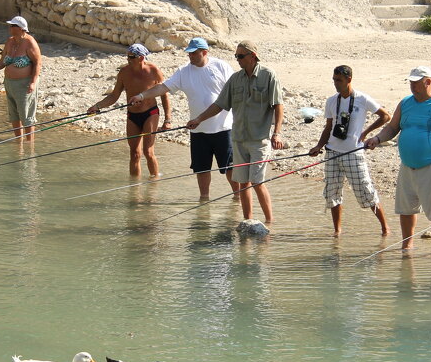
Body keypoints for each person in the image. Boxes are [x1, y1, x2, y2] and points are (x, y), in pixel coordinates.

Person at [365, 66, 431, 255]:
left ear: (428, 82)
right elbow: (393, 128)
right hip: (407, 166)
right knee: (406, 209)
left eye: (416, 83)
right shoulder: (406, 103)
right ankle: (407, 245)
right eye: (411, 83)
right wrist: (377, 139)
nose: (413, 87)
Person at [186, 41, 284, 224]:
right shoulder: (235, 79)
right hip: (238, 140)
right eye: (236, 56)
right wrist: (198, 119)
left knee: (257, 182)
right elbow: (219, 105)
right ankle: (248, 221)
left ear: (253, 56)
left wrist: (277, 133)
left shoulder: (268, 76)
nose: (237, 60)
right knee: (243, 184)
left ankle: (269, 222)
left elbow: (278, 106)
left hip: (259, 140)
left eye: (240, 56)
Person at [131, 37, 239, 201]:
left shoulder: (221, 66)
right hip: (198, 130)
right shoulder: (184, 71)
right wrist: (141, 95)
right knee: (201, 169)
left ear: (204, 52)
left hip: (223, 129)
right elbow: (163, 87)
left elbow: (235, 91)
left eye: (194, 53)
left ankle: (237, 198)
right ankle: (204, 200)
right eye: (188, 53)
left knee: (229, 167)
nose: (190, 56)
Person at [308, 65, 390, 237]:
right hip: (331, 152)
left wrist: (366, 133)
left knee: (365, 191)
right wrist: (318, 146)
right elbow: (328, 127)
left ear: (349, 80)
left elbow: (385, 116)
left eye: (339, 80)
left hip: (353, 153)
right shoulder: (331, 101)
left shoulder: (362, 99)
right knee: (332, 192)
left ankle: (385, 228)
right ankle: (337, 231)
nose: (336, 84)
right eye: (334, 80)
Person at [88, 44, 169, 177]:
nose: (128, 59)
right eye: (127, 56)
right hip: (132, 115)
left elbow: (164, 94)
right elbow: (114, 96)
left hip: (151, 113)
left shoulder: (153, 70)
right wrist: (97, 106)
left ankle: (154, 185)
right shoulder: (124, 72)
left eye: (131, 57)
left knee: (148, 152)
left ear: (141, 57)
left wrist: (167, 119)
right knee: (135, 154)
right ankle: (134, 190)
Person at [0, 15, 42, 141]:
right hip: (10, 84)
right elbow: (2, 62)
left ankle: (29, 145)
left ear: (21, 28)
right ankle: (19, 143)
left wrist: (33, 82)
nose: (10, 27)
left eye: (13, 26)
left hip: (24, 85)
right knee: (14, 115)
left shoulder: (30, 42)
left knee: (26, 116)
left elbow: (38, 63)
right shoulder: (10, 41)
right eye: (10, 25)